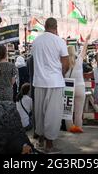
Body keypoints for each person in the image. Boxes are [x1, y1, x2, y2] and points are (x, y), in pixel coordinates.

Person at [32, 18, 69, 154]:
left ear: (45, 26)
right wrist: (61, 74)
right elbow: (66, 63)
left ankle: (40, 140)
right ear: (56, 27)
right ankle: (49, 145)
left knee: (40, 112)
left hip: (39, 81)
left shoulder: (36, 41)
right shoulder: (59, 41)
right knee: (52, 114)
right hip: (55, 82)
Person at [65, 34, 90, 134]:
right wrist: (87, 40)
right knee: (79, 111)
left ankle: (70, 128)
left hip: (68, 87)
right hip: (80, 87)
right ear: (74, 51)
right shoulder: (79, 60)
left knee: (68, 111)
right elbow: (84, 50)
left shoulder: (64, 64)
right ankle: (78, 128)